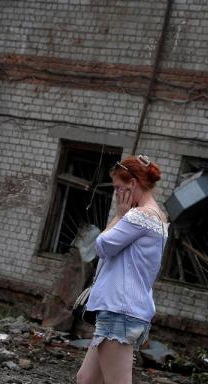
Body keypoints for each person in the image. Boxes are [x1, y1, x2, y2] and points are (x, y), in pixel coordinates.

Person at [76, 154, 168, 384]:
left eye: (118, 187)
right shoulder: (158, 216)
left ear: (133, 184)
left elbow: (101, 246)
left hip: (120, 310)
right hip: (125, 309)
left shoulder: (139, 216)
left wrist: (118, 215)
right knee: (86, 378)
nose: (117, 193)